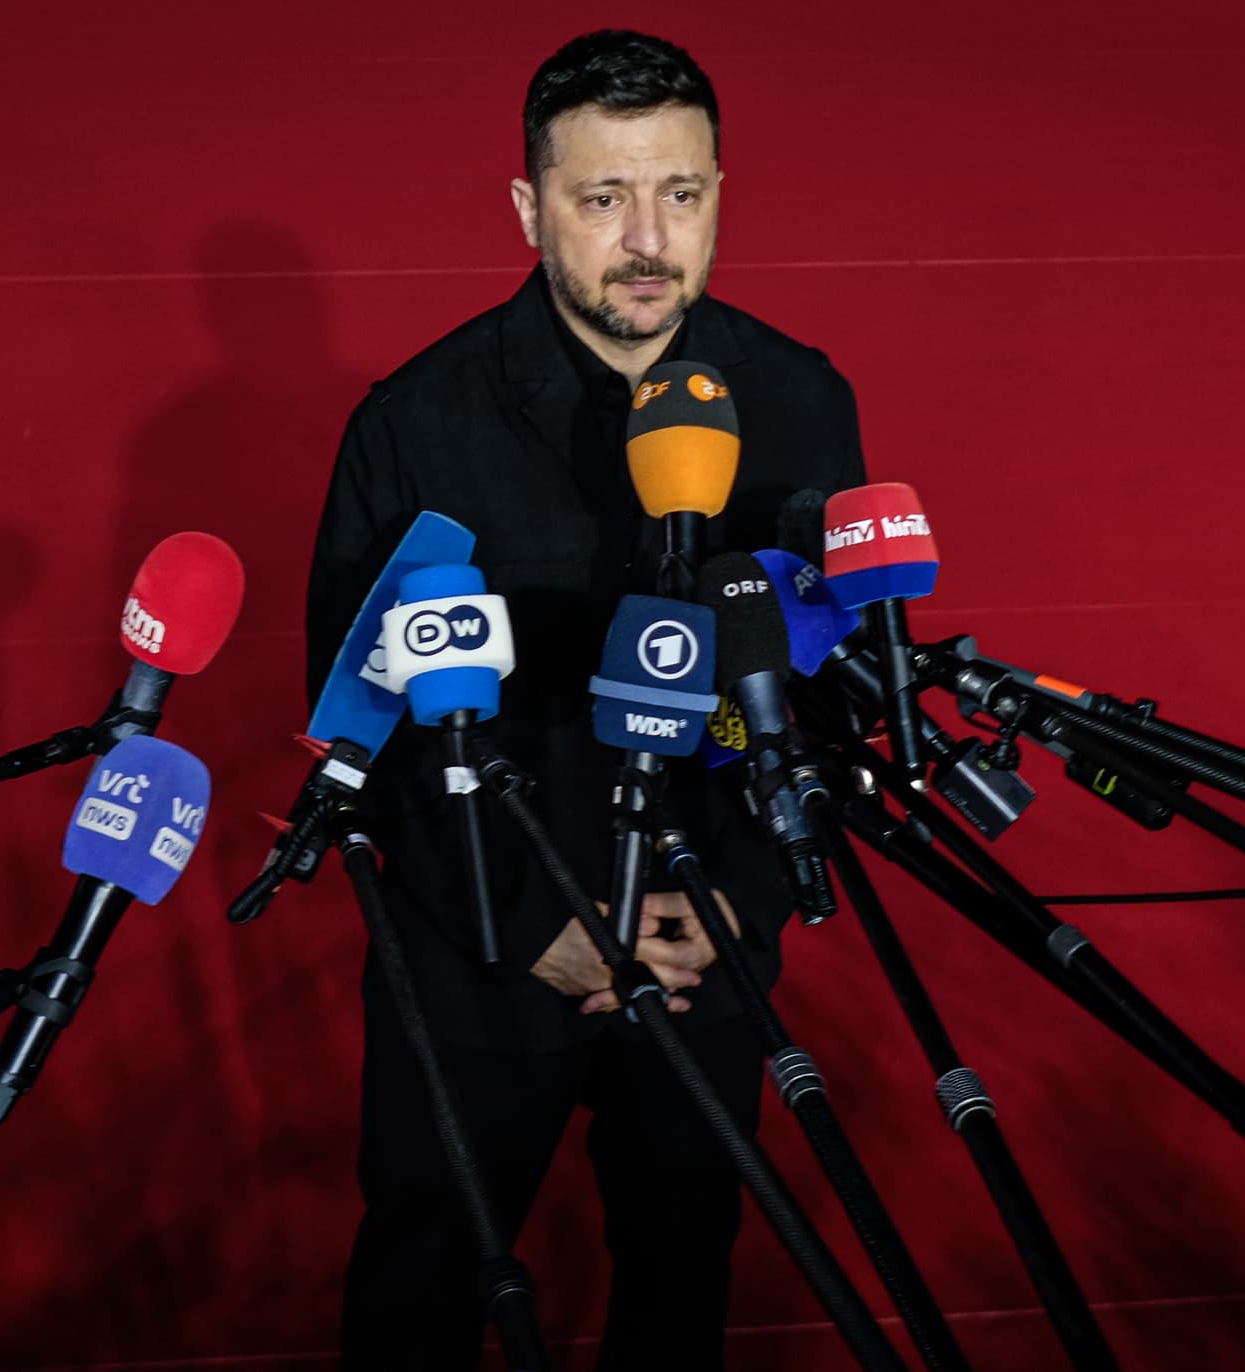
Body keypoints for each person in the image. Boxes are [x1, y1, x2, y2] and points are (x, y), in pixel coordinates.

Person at [304, 30, 867, 1368]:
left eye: (680, 192)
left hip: (703, 949)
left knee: (682, 1281)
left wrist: (737, 904)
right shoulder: (415, 424)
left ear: (721, 192)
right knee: (424, 1289)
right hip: (484, 957)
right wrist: (531, 923)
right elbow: (359, 725)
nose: (648, 240)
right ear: (529, 206)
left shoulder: (801, 402)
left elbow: (828, 684)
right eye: (603, 198)